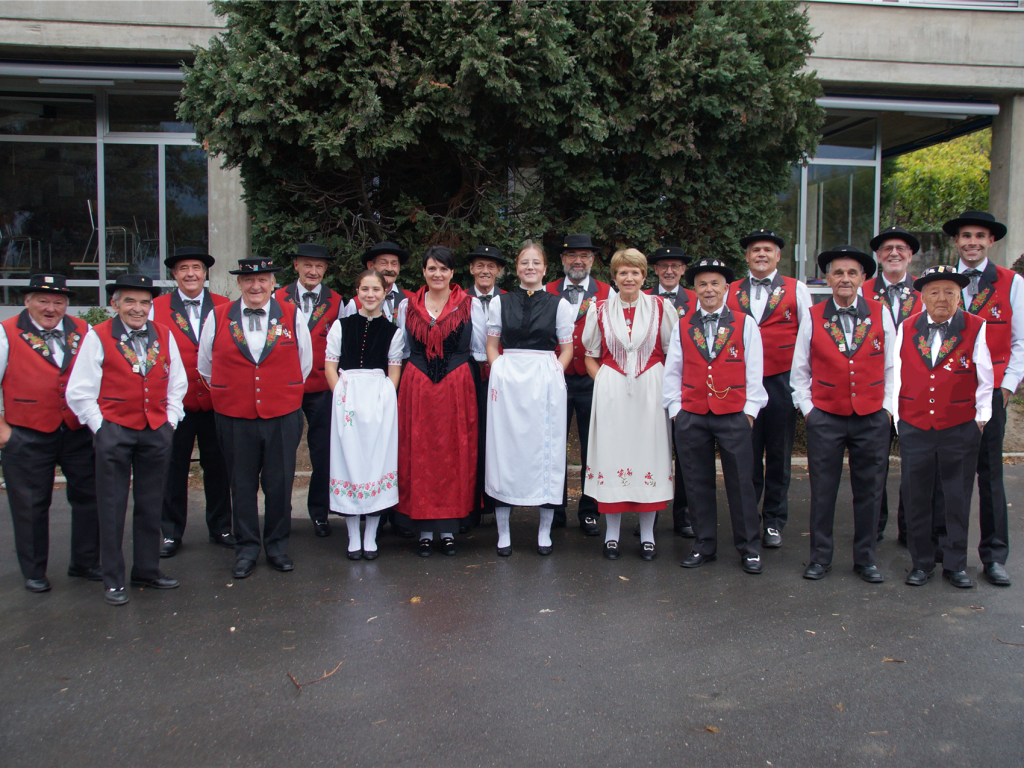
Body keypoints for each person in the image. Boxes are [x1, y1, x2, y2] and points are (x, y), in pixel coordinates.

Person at [67, 274, 187, 606]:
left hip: (155, 430)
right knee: (111, 506)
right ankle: (113, 579)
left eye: (144, 302)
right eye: (130, 301)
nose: (138, 308)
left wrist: (170, 420)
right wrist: (100, 427)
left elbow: (177, 382)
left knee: (151, 504)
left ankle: (147, 570)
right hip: (114, 431)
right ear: (115, 304)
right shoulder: (98, 335)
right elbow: (79, 390)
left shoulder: (164, 334)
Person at [197, 257, 313, 579]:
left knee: (279, 485)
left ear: (273, 283)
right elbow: (205, 365)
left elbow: (304, 363)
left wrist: (280, 391)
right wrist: (235, 390)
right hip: (235, 416)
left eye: (263, 279)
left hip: (282, 415)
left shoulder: (292, 315)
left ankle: (277, 547)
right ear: (239, 283)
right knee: (242, 485)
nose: (256, 286)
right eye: (248, 280)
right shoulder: (218, 316)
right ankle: (246, 549)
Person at [791, 246, 895, 583]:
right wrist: (810, 410)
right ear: (828, 279)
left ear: (863, 278)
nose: (845, 279)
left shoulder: (881, 312)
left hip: (871, 416)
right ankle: (820, 557)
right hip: (826, 416)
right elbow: (800, 370)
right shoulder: (813, 315)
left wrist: (887, 410)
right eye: (838, 273)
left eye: (852, 273)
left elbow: (893, 366)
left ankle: (865, 559)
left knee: (870, 490)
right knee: (823, 490)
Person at [662, 258, 768, 575]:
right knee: (697, 483)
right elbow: (673, 371)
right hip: (692, 414)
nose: (709, 289)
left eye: (715, 283)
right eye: (702, 284)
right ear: (695, 289)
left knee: (741, 483)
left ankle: (749, 548)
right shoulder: (683, 325)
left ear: (726, 288)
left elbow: (755, 370)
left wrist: (749, 413)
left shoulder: (745, 323)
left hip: (733, 414)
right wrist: (677, 411)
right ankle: (704, 544)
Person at [895, 266, 992, 588]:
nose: (942, 298)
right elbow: (896, 372)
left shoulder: (976, 326)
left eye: (949, 292)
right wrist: (899, 419)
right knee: (916, 496)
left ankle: (955, 564)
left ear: (959, 297)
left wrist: (981, 419)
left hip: (960, 426)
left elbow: (985, 376)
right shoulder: (907, 327)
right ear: (922, 297)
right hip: (915, 424)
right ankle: (921, 563)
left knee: (956, 497)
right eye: (934, 292)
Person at [0, 274, 97, 593]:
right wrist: (4, 433)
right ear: (27, 301)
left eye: (58, 301)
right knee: (30, 505)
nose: (51, 308)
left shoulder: (84, 330)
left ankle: (85, 562)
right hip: (27, 433)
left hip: (77, 431)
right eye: (43, 300)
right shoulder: (5, 332)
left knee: (89, 497)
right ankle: (34, 571)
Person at [583, 248, 678, 560]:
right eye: (623, 272)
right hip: (612, 395)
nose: (629, 277)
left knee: (648, 456)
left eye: (635, 272)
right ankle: (612, 535)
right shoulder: (600, 309)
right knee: (613, 457)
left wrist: (664, 386)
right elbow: (590, 355)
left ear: (644, 275)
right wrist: (603, 380)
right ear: (614, 276)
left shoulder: (660, 307)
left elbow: (672, 352)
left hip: (651, 393)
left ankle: (648, 535)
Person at [945, 210, 1022, 587]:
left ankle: (993, 556)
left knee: (990, 475)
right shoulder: (943, 282)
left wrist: (1007, 387)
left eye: (979, 235)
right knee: (948, 475)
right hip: (949, 393)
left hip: (991, 395)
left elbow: (1020, 341)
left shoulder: (1012, 283)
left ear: (991, 241)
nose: (972, 242)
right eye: (966, 235)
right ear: (956, 241)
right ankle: (950, 554)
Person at [396, 246, 487, 556]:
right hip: (417, 386)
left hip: (457, 386)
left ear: (452, 273)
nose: (437, 274)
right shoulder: (407, 306)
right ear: (423, 271)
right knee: (419, 451)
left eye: (443, 269)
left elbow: (479, 350)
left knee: (453, 452)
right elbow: (402, 350)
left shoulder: (470, 305)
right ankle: (423, 530)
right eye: (432, 268)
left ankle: (448, 529)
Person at [485, 243, 575, 556]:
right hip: (508, 379)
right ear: (517, 268)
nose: (530, 267)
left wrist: (554, 373)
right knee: (506, 450)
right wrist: (499, 370)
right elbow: (492, 344)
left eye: (536, 262)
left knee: (546, 450)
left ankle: (544, 531)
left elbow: (566, 349)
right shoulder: (500, 302)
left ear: (545, 268)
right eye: (525, 262)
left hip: (544, 380)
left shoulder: (559, 305)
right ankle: (503, 531)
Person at [726, 229, 811, 549]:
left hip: (780, 380)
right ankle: (749, 519)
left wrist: (803, 386)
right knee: (745, 454)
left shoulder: (796, 288)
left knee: (778, 454)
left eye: (767, 249)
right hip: (741, 382)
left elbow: (807, 336)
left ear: (778, 256)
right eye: (755, 250)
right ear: (747, 256)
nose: (761, 254)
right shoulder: (731, 289)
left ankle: (774, 520)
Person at [152, 247, 232, 558]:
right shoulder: (156, 308)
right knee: (172, 469)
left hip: (215, 402)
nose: (190, 274)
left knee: (219, 467)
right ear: (174, 275)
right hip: (177, 404)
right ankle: (171, 533)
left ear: (205, 273)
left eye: (196, 268)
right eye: (183, 268)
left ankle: (221, 527)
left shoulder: (225, 305)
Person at [324, 270, 405, 561]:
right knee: (349, 462)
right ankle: (352, 535)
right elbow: (330, 366)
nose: (370, 295)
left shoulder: (394, 331)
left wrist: (383, 401)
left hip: (378, 400)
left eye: (376, 289)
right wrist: (340, 397)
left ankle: (370, 535)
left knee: (375, 463)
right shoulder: (341, 326)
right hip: (347, 398)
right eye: (365, 289)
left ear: (385, 293)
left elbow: (393, 373)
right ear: (357, 291)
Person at [546, 233, 613, 535]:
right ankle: (554, 509)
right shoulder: (548, 291)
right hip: (555, 378)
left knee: (592, 447)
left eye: (584, 255)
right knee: (553, 445)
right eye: (572, 255)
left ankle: (590, 510)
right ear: (562, 259)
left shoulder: (606, 292)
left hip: (591, 378)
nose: (578, 260)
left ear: (592, 260)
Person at [274, 243, 340, 538]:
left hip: (321, 386)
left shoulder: (337, 301)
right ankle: (280, 514)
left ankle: (319, 513)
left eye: (319, 266)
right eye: (307, 265)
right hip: (285, 386)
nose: (313, 271)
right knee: (281, 453)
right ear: (296, 266)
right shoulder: (277, 298)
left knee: (322, 452)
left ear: (325, 269)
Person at [867, 226, 923, 544]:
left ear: (910, 255)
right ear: (878, 256)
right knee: (875, 463)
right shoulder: (862, 292)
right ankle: (873, 526)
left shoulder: (925, 293)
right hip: (875, 389)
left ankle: (910, 528)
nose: (894, 253)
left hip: (917, 390)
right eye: (887, 248)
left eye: (901, 248)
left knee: (915, 463)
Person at [644, 246, 694, 538]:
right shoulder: (643, 298)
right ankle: (647, 517)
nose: (669, 271)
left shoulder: (697, 300)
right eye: (664, 266)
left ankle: (684, 515)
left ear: (683, 270)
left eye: (675, 266)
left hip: (685, 386)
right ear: (656, 270)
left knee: (685, 451)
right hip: (648, 385)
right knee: (648, 449)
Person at [465, 244, 508, 529]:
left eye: (491, 266)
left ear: (499, 271)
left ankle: (496, 500)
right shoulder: (457, 299)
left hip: (502, 377)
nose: (485, 271)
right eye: (480, 265)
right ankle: (470, 502)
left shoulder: (509, 300)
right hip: (467, 375)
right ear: (471, 269)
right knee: (470, 437)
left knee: (497, 437)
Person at [342, 241, 415, 323]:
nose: (389, 269)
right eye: (383, 263)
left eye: (394, 264)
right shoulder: (355, 304)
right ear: (371, 266)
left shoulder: (412, 301)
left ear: (399, 268)